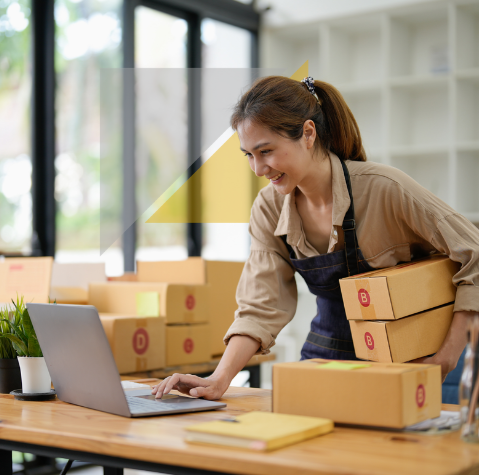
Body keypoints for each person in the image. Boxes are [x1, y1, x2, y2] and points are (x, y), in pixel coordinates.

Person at [152, 76, 479, 402]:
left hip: (412, 357)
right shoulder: (269, 208)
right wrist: (219, 379)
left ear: (308, 133)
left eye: (266, 151)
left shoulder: (384, 188)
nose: (257, 168)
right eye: (248, 155)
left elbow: (474, 255)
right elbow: (260, 306)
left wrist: (447, 355)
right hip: (328, 351)